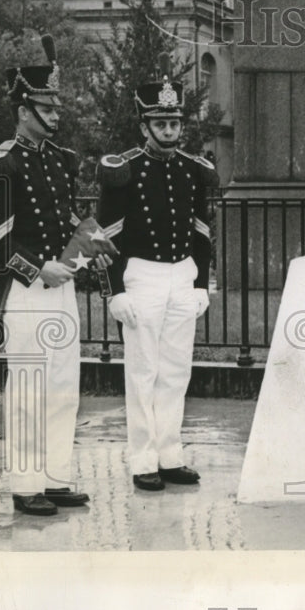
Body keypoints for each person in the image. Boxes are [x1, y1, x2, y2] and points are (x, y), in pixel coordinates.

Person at [0, 36, 100, 516]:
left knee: (65, 383)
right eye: (47, 106)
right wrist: (36, 266)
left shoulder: (59, 160)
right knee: (28, 386)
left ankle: (55, 476)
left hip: (60, 285)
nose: (57, 114)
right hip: (24, 291)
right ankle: (27, 484)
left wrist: (91, 246)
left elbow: (68, 218)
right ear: (24, 109)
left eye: (57, 105)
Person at [96, 58, 218, 492]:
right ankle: (143, 459)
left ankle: (170, 455)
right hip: (142, 278)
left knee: (175, 372)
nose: (169, 130)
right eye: (160, 122)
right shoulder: (123, 169)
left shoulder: (192, 169)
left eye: (174, 121)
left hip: (181, 278)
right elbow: (106, 236)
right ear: (144, 125)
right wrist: (114, 292)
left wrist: (202, 282)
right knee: (142, 373)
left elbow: (203, 231)